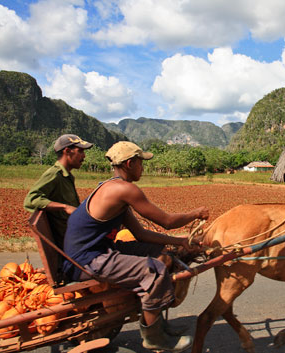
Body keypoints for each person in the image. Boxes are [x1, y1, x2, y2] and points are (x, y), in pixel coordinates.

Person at [62, 141, 209, 352]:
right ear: (130, 163)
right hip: (87, 260)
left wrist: (179, 241)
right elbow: (166, 221)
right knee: (156, 271)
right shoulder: (124, 189)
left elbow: (140, 234)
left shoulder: (113, 187)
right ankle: (154, 337)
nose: (143, 168)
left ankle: (157, 322)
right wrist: (196, 213)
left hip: (96, 251)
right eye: (141, 163)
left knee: (161, 254)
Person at [24, 134, 93, 247]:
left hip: (74, 236)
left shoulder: (66, 176)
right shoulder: (55, 174)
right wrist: (65, 207)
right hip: (70, 243)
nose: (84, 156)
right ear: (67, 151)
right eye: (80, 151)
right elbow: (31, 199)